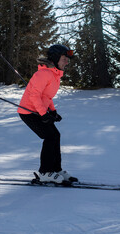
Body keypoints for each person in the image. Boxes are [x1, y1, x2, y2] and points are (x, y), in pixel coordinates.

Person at [17, 44, 78, 184]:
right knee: (50, 137)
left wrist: (53, 111)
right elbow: (34, 96)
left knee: (55, 136)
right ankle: (45, 172)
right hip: (28, 112)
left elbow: (46, 96)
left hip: (39, 111)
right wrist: (44, 114)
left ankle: (56, 170)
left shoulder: (54, 75)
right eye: (64, 59)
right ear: (56, 59)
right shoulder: (43, 74)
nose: (66, 62)